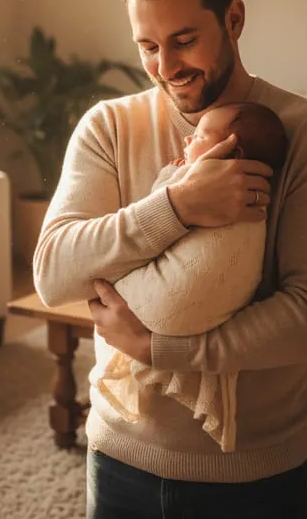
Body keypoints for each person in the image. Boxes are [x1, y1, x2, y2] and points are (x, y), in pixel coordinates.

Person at [33, 0, 307, 519]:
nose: (166, 67)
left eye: (184, 40)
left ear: (234, 19)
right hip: (119, 458)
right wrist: (176, 206)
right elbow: (53, 274)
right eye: (148, 46)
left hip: (255, 476)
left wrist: (163, 350)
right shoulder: (108, 126)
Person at [95, 101, 288, 454]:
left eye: (199, 136)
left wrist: (171, 179)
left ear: (229, 152)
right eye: (149, 47)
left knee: (103, 276)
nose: (187, 141)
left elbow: (158, 202)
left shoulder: (198, 178)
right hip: (211, 315)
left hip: (160, 306)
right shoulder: (261, 202)